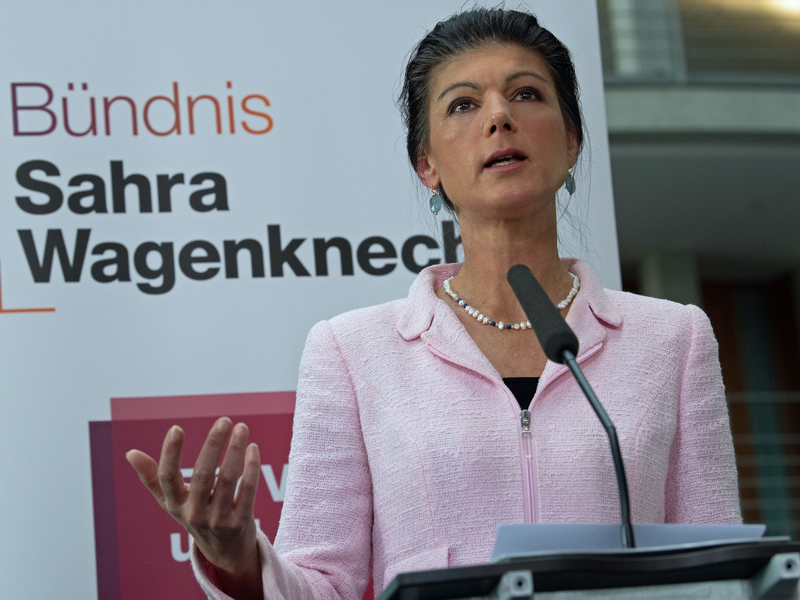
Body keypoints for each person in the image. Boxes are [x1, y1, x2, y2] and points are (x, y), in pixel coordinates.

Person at [126, 8, 741, 600]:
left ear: (574, 139)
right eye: (464, 105)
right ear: (428, 165)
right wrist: (236, 561)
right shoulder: (351, 352)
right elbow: (323, 586)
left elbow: (721, 567)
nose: (499, 117)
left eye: (526, 94)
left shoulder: (675, 339)